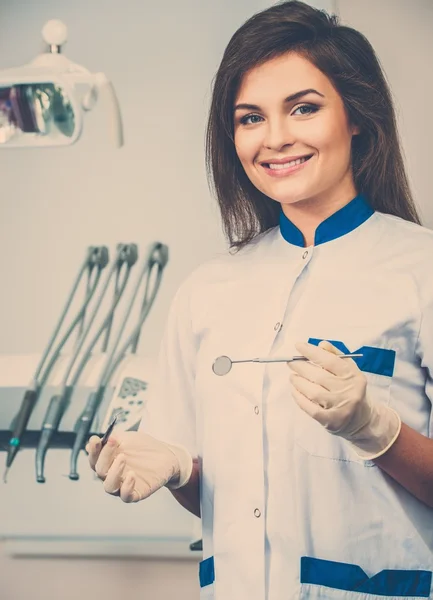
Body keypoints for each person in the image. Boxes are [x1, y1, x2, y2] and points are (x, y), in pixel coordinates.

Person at [86, 1, 433, 598]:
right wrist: (176, 470)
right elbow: (219, 501)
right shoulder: (205, 293)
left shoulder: (420, 270)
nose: (275, 139)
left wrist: (376, 429)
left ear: (356, 114)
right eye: (250, 118)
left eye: (303, 108)